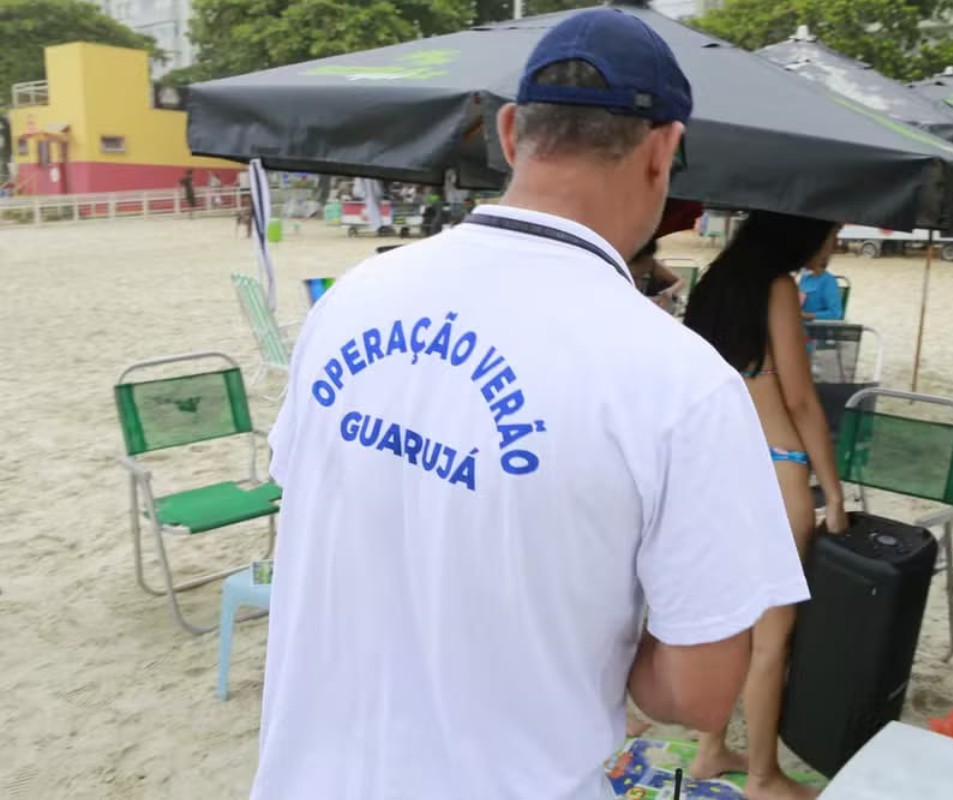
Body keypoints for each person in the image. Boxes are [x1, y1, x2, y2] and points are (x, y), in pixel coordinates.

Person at [251, 10, 810, 800]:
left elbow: (315, 502)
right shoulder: (682, 382)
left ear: (511, 132)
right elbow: (694, 695)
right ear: (664, 151)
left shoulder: (353, 298)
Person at [683, 211, 847, 800]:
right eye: (832, 232)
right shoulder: (777, 287)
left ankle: (709, 750)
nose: (836, 242)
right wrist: (833, 492)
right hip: (777, 471)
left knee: (726, 624)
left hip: (718, 472)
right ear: (799, 232)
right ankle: (762, 776)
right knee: (770, 640)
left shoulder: (714, 286)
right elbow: (802, 402)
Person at [796, 227, 844, 321]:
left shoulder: (828, 281)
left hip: (815, 327)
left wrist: (807, 315)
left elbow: (835, 313)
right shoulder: (805, 277)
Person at [628, 238, 684, 311]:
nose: (649, 261)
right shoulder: (622, 265)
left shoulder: (654, 265)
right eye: (645, 260)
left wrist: (669, 291)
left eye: (651, 256)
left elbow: (681, 281)